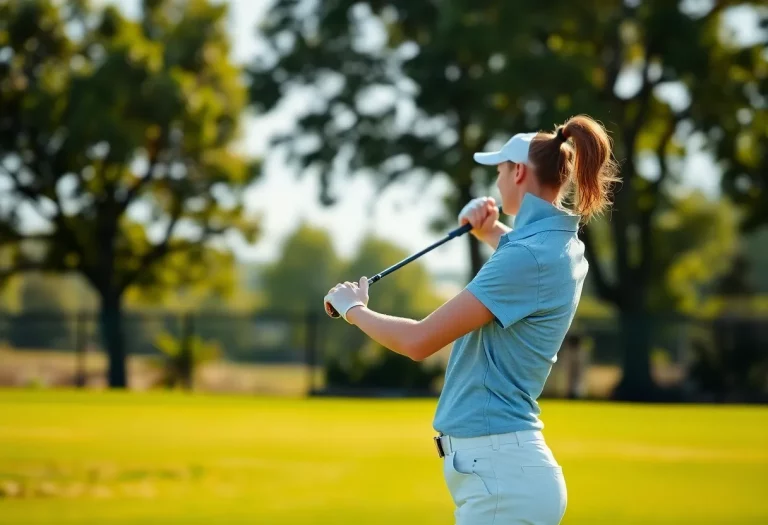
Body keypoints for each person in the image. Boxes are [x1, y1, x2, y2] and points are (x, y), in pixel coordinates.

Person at [323, 114, 620, 525]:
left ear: (518, 172)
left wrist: (354, 308)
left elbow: (419, 342)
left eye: (499, 172)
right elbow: (523, 262)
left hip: (502, 477)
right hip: (506, 474)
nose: (496, 184)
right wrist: (490, 229)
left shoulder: (527, 257)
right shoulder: (558, 245)